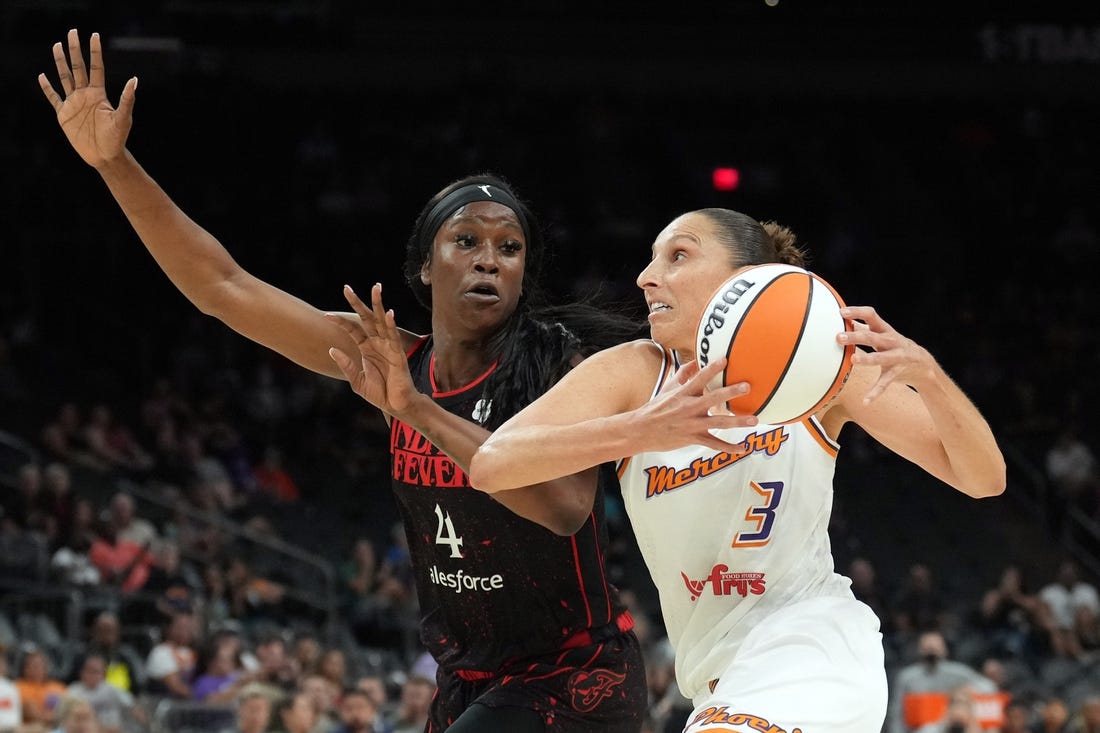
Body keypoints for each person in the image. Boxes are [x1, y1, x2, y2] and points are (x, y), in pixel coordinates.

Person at [40, 29, 647, 733]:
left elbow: (566, 507)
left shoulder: (556, 365)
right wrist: (115, 166)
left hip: (572, 675)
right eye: (467, 242)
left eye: (509, 249)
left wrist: (413, 410)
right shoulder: (392, 357)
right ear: (425, 265)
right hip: (468, 679)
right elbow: (223, 286)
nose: (490, 260)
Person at [468, 208, 1007, 732]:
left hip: (813, 649)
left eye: (678, 256)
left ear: (747, 281)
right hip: (716, 681)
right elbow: (493, 465)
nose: (646, 277)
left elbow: (983, 479)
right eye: (652, 260)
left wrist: (930, 376)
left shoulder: (822, 368)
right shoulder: (636, 373)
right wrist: (642, 429)